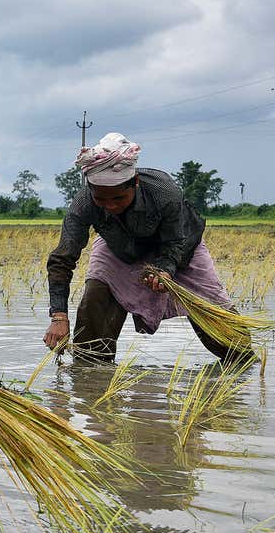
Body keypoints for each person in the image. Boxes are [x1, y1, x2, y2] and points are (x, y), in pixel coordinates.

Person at [43, 132, 243, 364]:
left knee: (229, 337)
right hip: (119, 246)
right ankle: (90, 378)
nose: (111, 207)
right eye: (101, 200)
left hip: (178, 243)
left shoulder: (164, 192)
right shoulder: (83, 203)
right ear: (90, 189)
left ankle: (242, 362)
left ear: (135, 183)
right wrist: (58, 316)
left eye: (118, 198)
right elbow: (62, 259)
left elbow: (178, 240)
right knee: (95, 298)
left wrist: (166, 268)